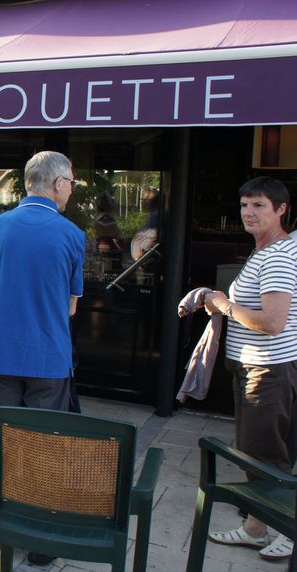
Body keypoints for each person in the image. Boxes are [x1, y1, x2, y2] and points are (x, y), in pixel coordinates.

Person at [0, 150, 84, 564]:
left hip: (1, 352)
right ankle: (39, 536)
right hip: (50, 357)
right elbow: (71, 306)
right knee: (44, 446)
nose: (72, 188)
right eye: (71, 181)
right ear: (55, 184)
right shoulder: (72, 234)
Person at [204, 176, 296, 562]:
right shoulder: (271, 251)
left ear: (280, 210)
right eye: (244, 205)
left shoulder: (276, 255)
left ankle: (287, 533)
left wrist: (223, 304)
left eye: (259, 205)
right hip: (265, 368)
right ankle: (257, 528)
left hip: (266, 372)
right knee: (261, 452)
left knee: (265, 456)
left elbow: (273, 321)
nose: (248, 213)